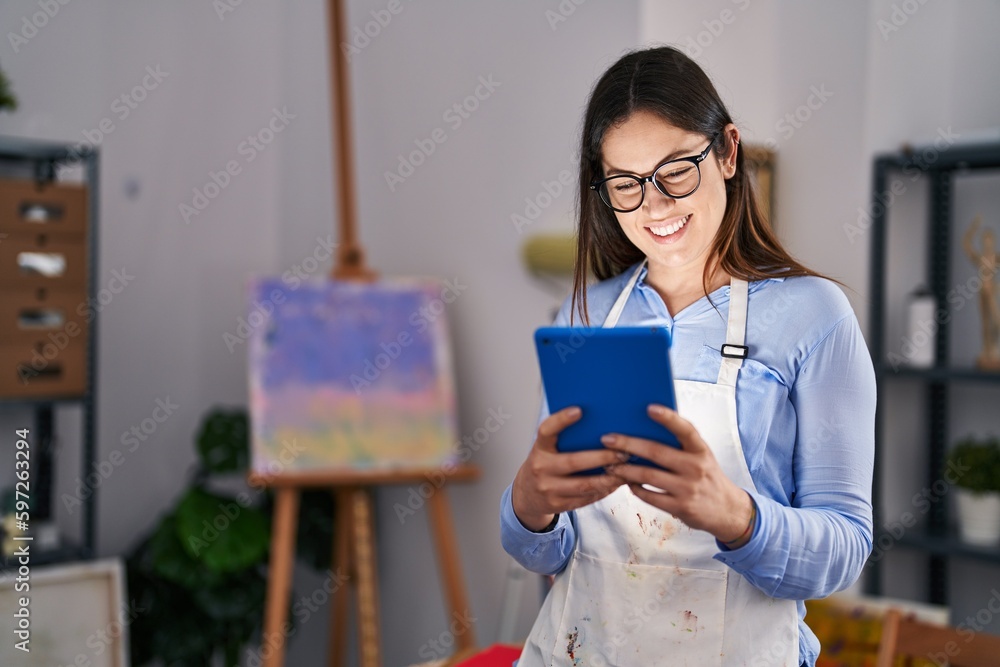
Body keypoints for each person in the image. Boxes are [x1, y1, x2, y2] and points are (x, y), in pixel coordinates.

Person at [499, 45, 875, 667]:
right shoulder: (584, 316)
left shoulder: (815, 316)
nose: (655, 205)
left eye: (676, 169)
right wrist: (529, 506)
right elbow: (550, 553)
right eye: (625, 184)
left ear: (727, 152)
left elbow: (844, 549)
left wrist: (736, 516)